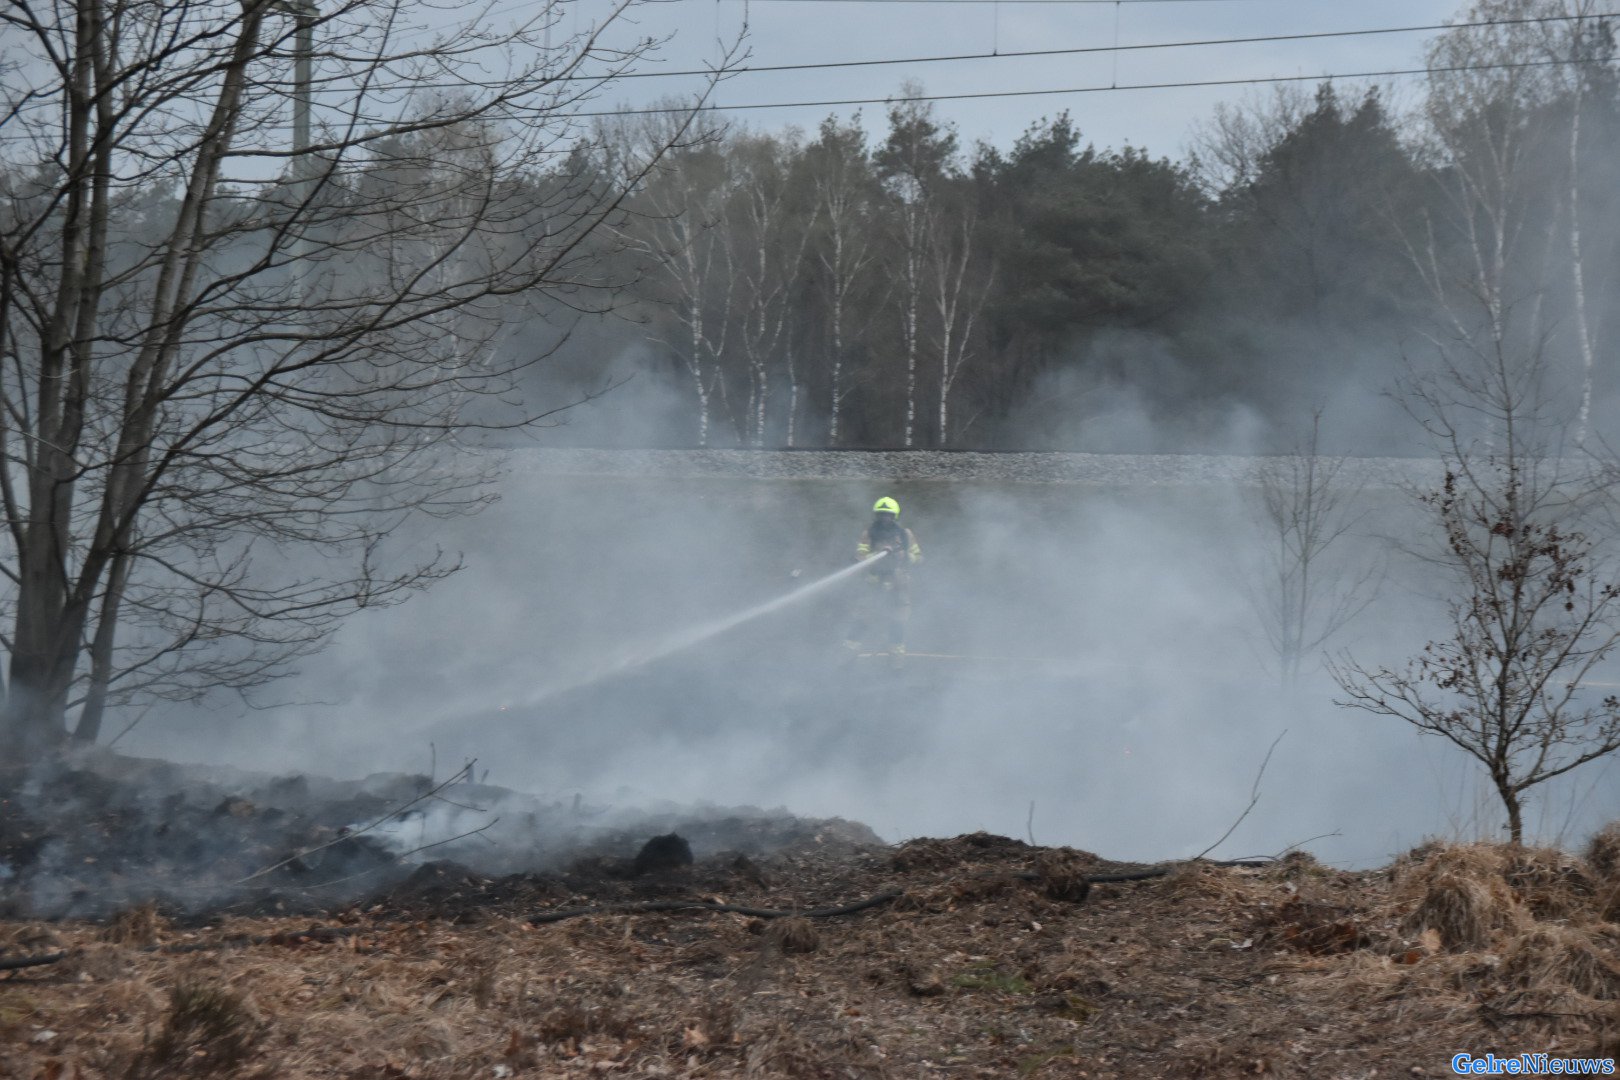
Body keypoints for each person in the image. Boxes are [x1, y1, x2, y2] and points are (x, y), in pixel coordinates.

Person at [846, 496, 922, 656]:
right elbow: (859, 558)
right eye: (881, 515)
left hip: (898, 584)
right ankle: (849, 651)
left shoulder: (905, 534)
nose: (885, 518)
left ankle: (896, 656)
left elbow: (919, 557)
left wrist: (905, 556)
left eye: (888, 515)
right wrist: (876, 555)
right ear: (877, 516)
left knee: (898, 620)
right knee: (863, 618)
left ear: (895, 516)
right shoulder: (868, 534)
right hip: (874, 583)